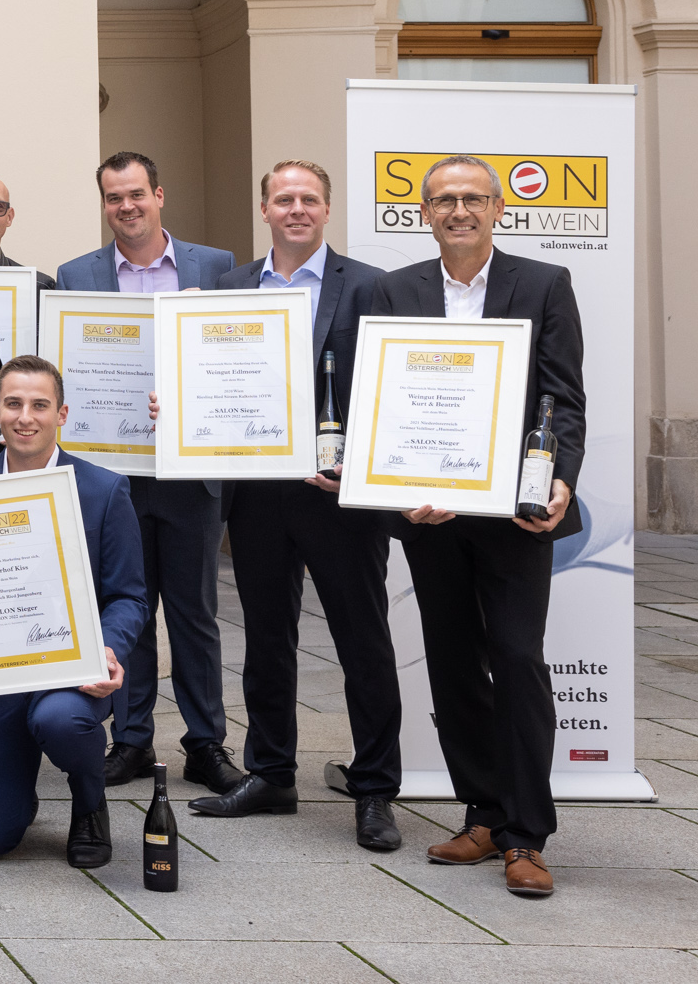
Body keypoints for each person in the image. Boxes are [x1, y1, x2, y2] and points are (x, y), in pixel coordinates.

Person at [376, 154, 586, 898]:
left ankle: (528, 835)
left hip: (512, 516)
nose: (458, 210)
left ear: (498, 209)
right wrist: (393, 489)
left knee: (519, 662)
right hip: (432, 516)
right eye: (443, 200)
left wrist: (559, 479)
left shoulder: (543, 284)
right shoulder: (395, 290)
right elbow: (383, 403)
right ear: (423, 214)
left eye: (471, 198)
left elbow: (563, 396)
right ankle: (485, 813)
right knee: (454, 665)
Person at [193, 161, 400, 852]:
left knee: (361, 641)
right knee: (266, 638)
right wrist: (185, 406)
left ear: (327, 209)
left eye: (309, 199)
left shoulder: (370, 285)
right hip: (257, 495)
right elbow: (213, 378)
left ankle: (374, 789)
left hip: (339, 497)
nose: (296, 209)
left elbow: (389, 386)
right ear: (264, 210)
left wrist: (361, 469)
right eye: (284, 199)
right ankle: (272, 772)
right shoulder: (232, 286)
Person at [54, 152, 243, 794]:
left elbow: (231, 352)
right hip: (114, 477)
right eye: (113, 198)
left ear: (159, 194)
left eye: (136, 194)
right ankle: (130, 740)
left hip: (189, 472)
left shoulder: (214, 268)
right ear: (104, 204)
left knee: (193, 610)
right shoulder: (75, 276)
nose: (126, 207)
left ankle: (206, 741)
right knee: (125, 606)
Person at [0, 356, 145, 865]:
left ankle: (89, 802)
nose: (26, 417)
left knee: (62, 721)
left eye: (40, 405)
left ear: (61, 414)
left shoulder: (104, 490)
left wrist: (107, 648)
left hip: (68, 677)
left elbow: (129, 596)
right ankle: (18, 790)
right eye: (13, 404)